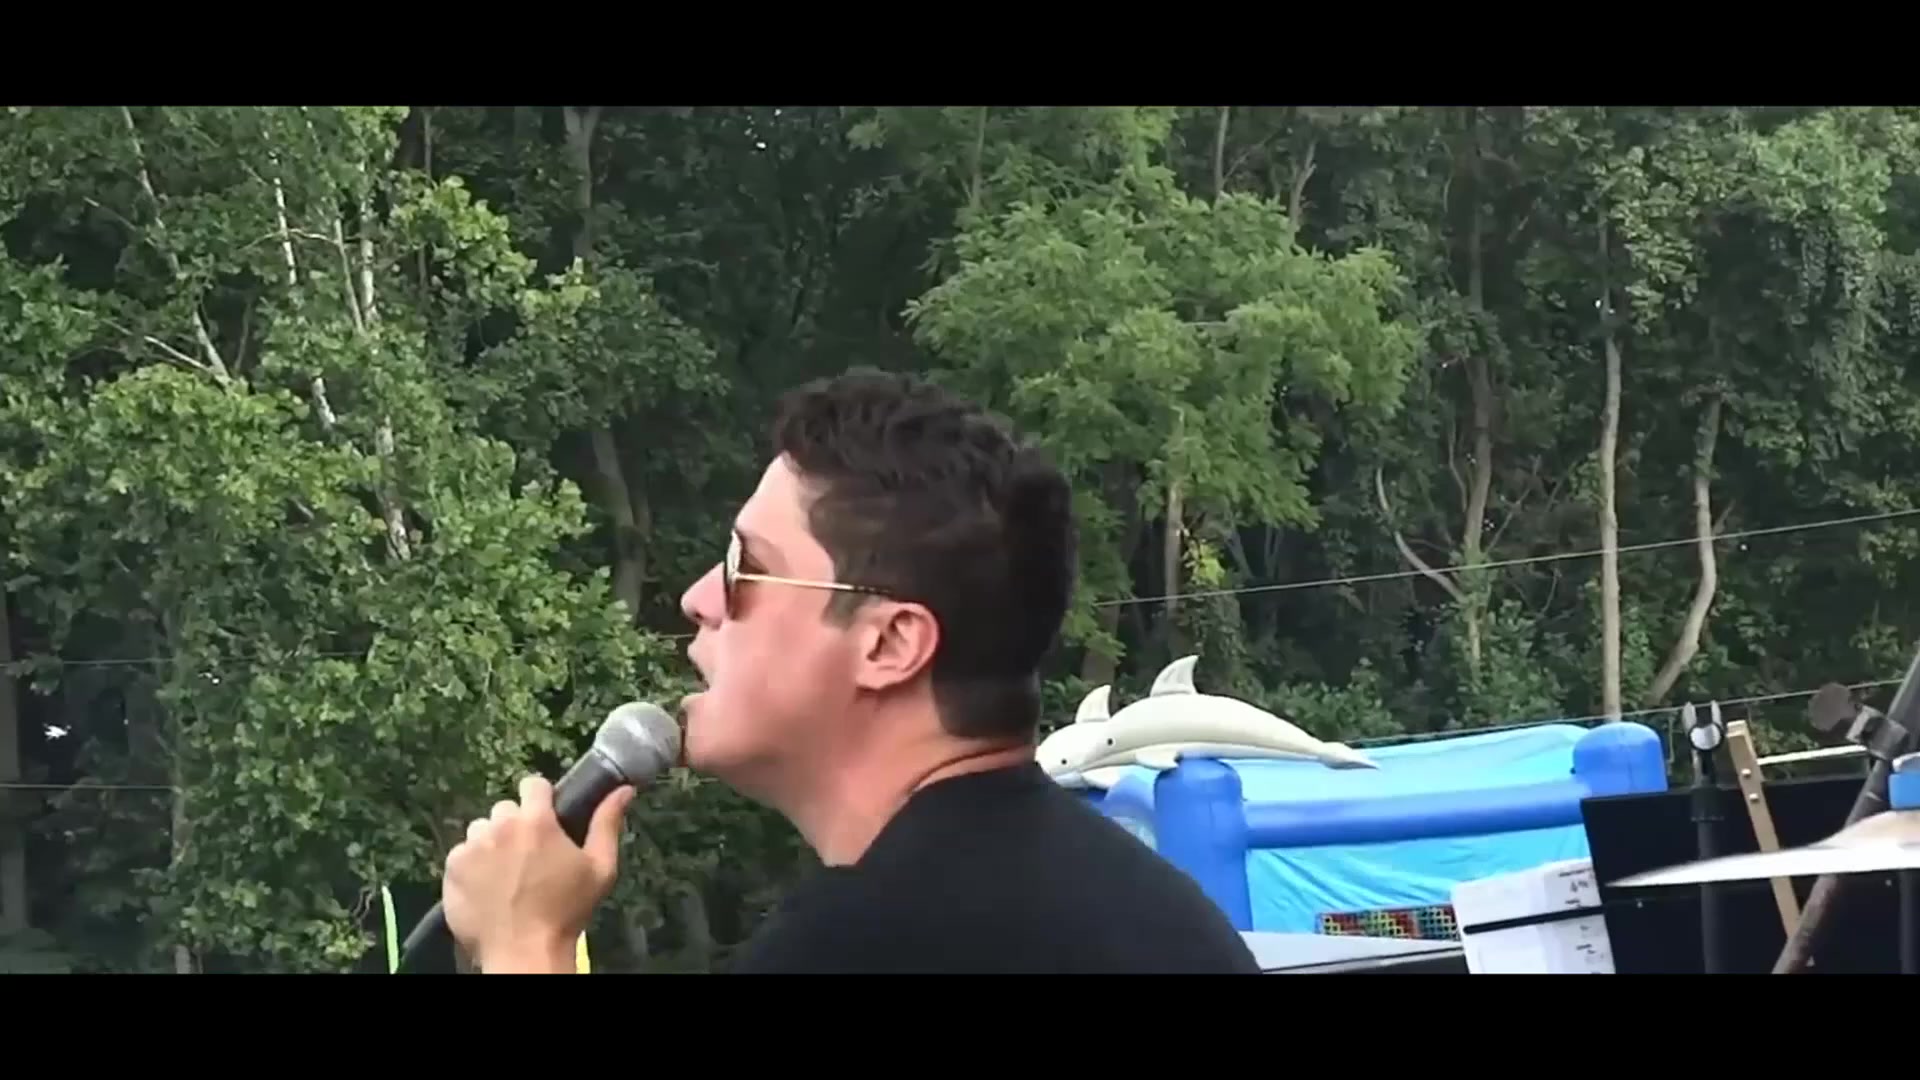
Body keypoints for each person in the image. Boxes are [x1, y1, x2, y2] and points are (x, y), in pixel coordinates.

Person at [440, 370, 1262, 974]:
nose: (698, 599)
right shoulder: (1158, 911)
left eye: (745, 567)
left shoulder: (867, 942)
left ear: (889, 644)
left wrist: (524, 948)